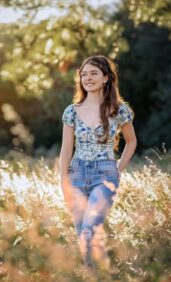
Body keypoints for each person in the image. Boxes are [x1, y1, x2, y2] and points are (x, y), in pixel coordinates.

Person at [60, 55, 136, 269]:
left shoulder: (119, 109)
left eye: (93, 73)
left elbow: (131, 142)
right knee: (80, 230)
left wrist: (118, 168)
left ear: (106, 78)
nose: (87, 78)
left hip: (105, 174)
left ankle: (93, 276)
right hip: (76, 173)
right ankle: (92, 279)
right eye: (84, 74)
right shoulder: (71, 111)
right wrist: (63, 180)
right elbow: (66, 149)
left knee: (89, 227)